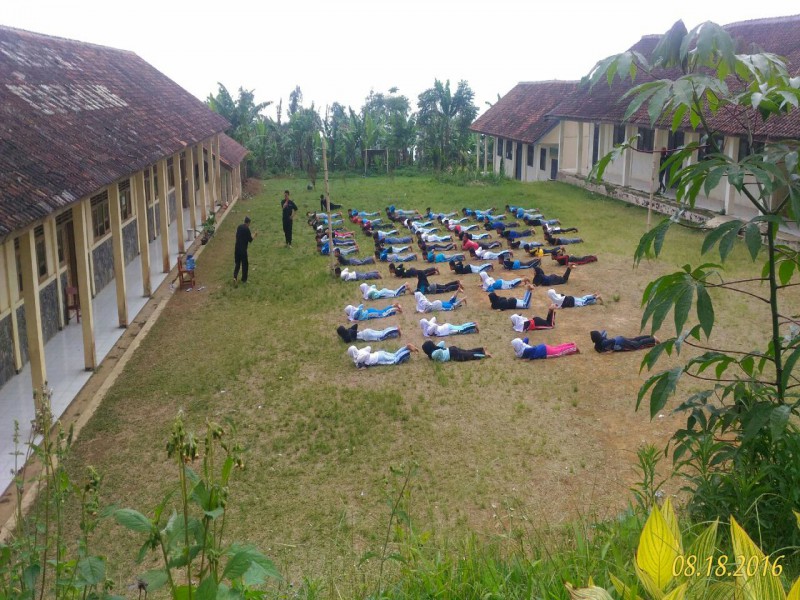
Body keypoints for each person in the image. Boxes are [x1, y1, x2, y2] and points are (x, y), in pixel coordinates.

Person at [347, 343, 419, 368]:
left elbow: (366, 355)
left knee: (395, 360)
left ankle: (408, 351)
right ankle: (406, 347)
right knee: (394, 355)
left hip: (379, 358)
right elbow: (368, 348)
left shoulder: (358, 358)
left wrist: (366, 364)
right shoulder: (360, 351)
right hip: (379, 353)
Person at [233, 216, 256, 284]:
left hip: (237, 248)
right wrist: (254, 235)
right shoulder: (247, 229)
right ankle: (244, 279)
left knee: (237, 264)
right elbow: (250, 240)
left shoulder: (239, 227)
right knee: (245, 264)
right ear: (248, 223)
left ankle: (235, 277)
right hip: (243, 250)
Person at [511, 337, 579, 360]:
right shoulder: (522, 347)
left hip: (544, 351)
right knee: (557, 348)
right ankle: (571, 344)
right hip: (543, 348)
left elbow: (533, 349)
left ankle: (574, 348)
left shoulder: (522, 352)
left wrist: (530, 358)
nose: (513, 348)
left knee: (559, 352)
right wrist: (521, 342)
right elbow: (526, 338)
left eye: (514, 346)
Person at [590, 330, 658, 353]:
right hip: (619, 339)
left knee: (637, 345)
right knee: (635, 339)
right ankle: (650, 336)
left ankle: (653, 339)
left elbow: (612, 341)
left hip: (621, 342)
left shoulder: (598, 346)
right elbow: (604, 332)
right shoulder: (602, 340)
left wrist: (611, 349)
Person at [421, 340, 491, 362]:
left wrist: (436, 348)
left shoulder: (433, 355)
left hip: (452, 354)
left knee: (469, 355)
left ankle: (484, 355)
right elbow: (442, 342)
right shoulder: (434, 351)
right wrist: (436, 347)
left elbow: (439, 351)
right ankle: (481, 349)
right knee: (467, 352)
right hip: (451, 349)